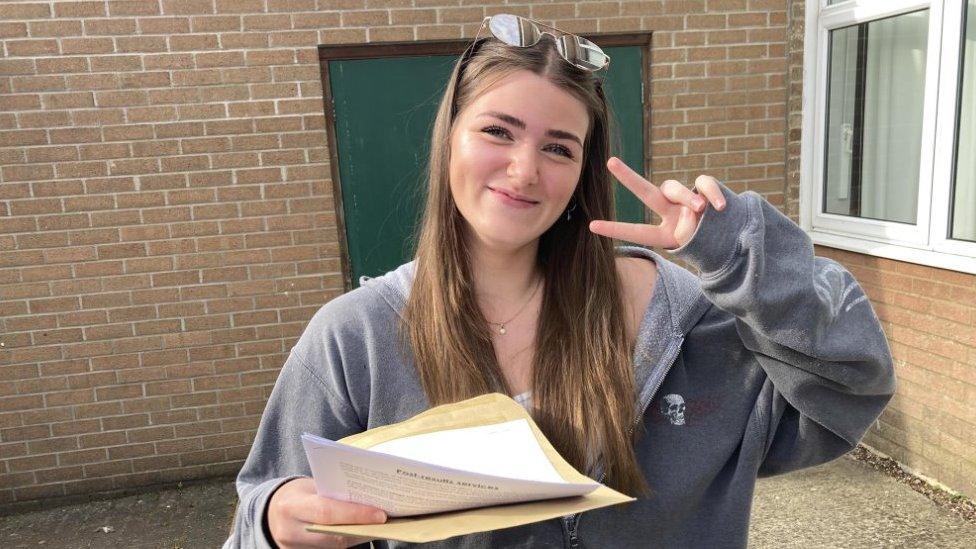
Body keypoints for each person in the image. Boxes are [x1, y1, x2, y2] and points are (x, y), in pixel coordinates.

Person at [224, 14, 895, 549]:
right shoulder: (355, 335)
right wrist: (275, 521)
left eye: (557, 147)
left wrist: (740, 256)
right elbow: (262, 507)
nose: (523, 170)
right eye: (498, 131)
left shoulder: (692, 321)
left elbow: (849, 388)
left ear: (582, 174)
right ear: (449, 140)